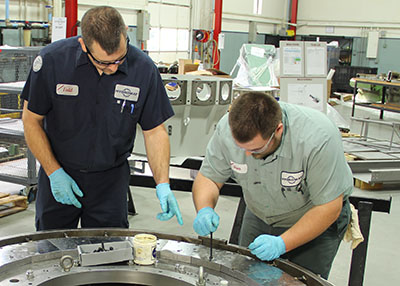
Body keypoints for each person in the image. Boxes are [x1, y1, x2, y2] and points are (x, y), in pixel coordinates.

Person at [22, 6, 183, 231]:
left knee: (110, 255)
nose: (113, 67)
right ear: (82, 44)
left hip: (110, 182)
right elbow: (31, 121)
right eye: (104, 63)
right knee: (52, 253)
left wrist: (163, 183)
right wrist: (53, 172)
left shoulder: (144, 69)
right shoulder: (52, 61)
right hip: (58, 172)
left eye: (119, 59)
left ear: (125, 33)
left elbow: (154, 131)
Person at [192, 91, 352, 279]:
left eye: (256, 149)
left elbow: (328, 207)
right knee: (244, 278)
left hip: (314, 219)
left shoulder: (318, 138)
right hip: (260, 214)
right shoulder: (226, 129)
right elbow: (209, 177)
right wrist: (205, 209)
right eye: (241, 148)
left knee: (298, 281)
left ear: (278, 130)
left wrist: (281, 243)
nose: (248, 155)